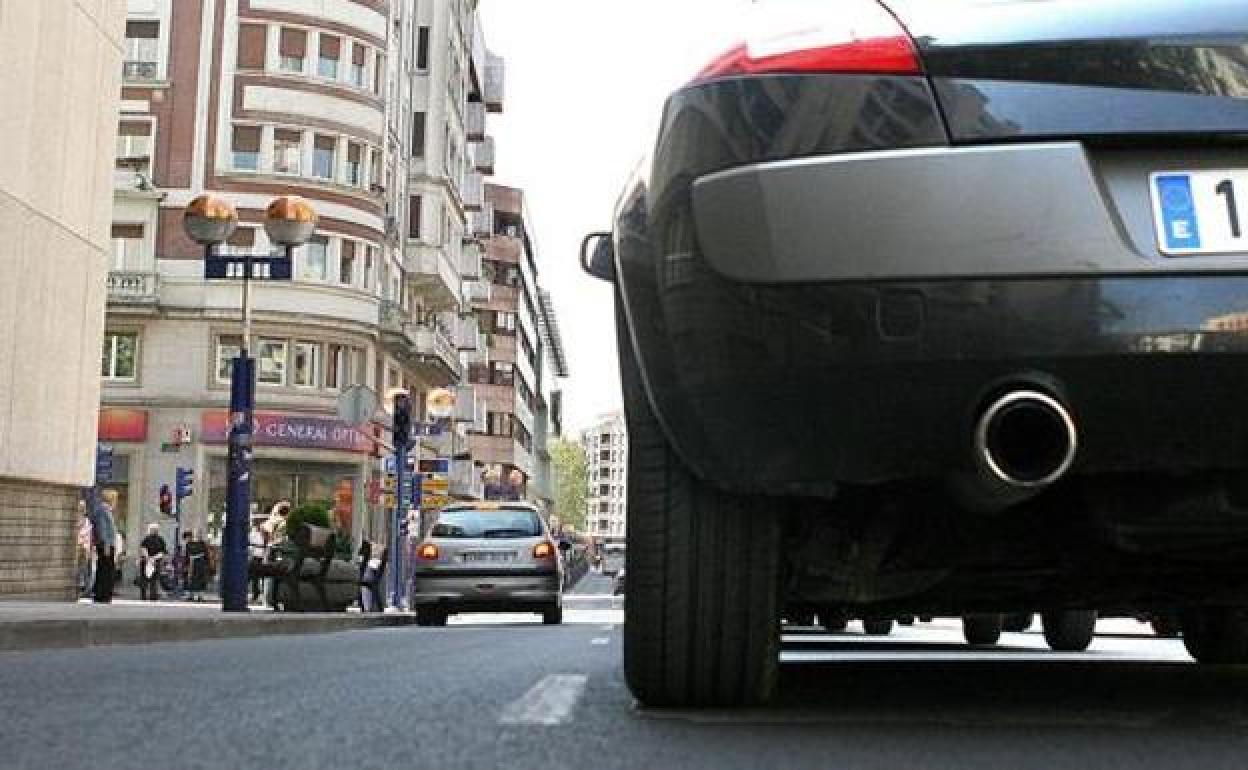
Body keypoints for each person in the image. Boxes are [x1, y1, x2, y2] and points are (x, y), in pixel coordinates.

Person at [91, 490, 119, 604]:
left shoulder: (107, 510)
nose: (116, 502)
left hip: (108, 544)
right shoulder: (102, 510)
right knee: (105, 570)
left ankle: (104, 594)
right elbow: (102, 529)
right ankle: (102, 594)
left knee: (107, 569)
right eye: (115, 499)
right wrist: (106, 544)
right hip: (105, 545)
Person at [261, 501, 290, 607]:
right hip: (279, 550)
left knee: (268, 576)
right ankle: (273, 598)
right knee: (277, 574)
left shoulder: (272, 521)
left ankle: (267, 598)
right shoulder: (284, 522)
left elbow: (264, 530)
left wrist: (268, 541)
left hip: (270, 549)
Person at [138, 523, 168, 601]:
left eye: (154, 529)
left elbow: (163, 551)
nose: (154, 531)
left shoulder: (158, 539)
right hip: (149, 561)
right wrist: (150, 558)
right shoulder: (150, 539)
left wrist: (151, 558)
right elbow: (143, 548)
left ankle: (150, 596)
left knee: (151, 579)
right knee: (148, 579)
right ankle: (147, 596)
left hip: (152, 561)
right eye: (153, 529)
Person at [76, 503, 95, 598]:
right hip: (78, 547)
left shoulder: (86, 521)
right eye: (81, 507)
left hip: (84, 548)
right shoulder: (77, 519)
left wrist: (90, 548)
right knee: (79, 569)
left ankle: (86, 589)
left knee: (85, 569)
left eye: (83, 508)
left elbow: (89, 536)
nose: (82, 509)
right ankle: (79, 588)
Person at [184, 531, 209, 602]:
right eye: (196, 535)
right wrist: (186, 564)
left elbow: (206, 554)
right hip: (191, 563)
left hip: (200, 563)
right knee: (190, 579)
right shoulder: (189, 544)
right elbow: (187, 554)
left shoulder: (202, 543)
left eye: (198, 535)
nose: (197, 536)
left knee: (200, 579)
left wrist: (206, 564)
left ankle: (200, 596)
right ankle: (190, 595)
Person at [248, 521, 266, 603]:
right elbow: (251, 546)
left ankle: (258, 594)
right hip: (256, 557)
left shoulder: (265, 534)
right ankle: (256, 594)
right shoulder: (254, 534)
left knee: (257, 576)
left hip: (263, 557)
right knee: (254, 576)